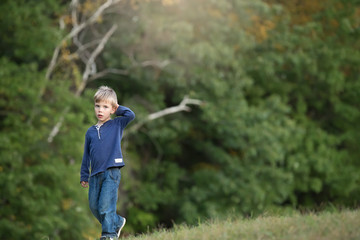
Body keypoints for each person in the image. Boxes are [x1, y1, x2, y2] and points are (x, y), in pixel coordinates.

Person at [80, 86, 135, 240]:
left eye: (105, 107)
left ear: (112, 109)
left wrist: (117, 108)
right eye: (97, 106)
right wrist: (84, 174)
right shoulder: (90, 132)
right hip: (95, 174)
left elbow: (130, 115)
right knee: (94, 206)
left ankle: (109, 235)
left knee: (105, 206)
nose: (100, 110)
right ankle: (117, 221)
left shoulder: (117, 124)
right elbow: (86, 155)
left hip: (111, 171)